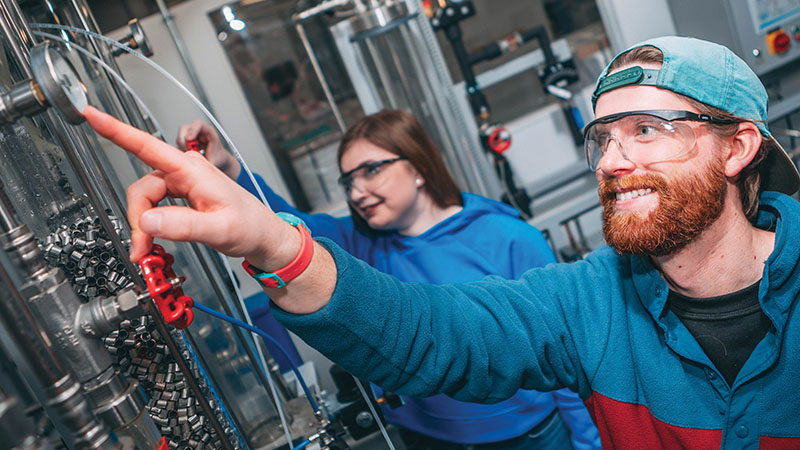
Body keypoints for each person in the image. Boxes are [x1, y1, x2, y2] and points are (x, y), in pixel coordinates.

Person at [83, 35, 800, 448]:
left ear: (738, 148)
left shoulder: (502, 234)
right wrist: (273, 244)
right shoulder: (589, 301)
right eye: (603, 139)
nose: (612, 160)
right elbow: (434, 333)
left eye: (648, 130)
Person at [175, 110, 601, 449]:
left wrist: (589, 442)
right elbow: (284, 228)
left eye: (372, 170)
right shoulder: (360, 241)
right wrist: (229, 168)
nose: (357, 191)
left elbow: (565, 356)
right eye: (348, 180)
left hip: (524, 438)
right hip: (424, 437)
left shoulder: (507, 237)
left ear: (416, 166)